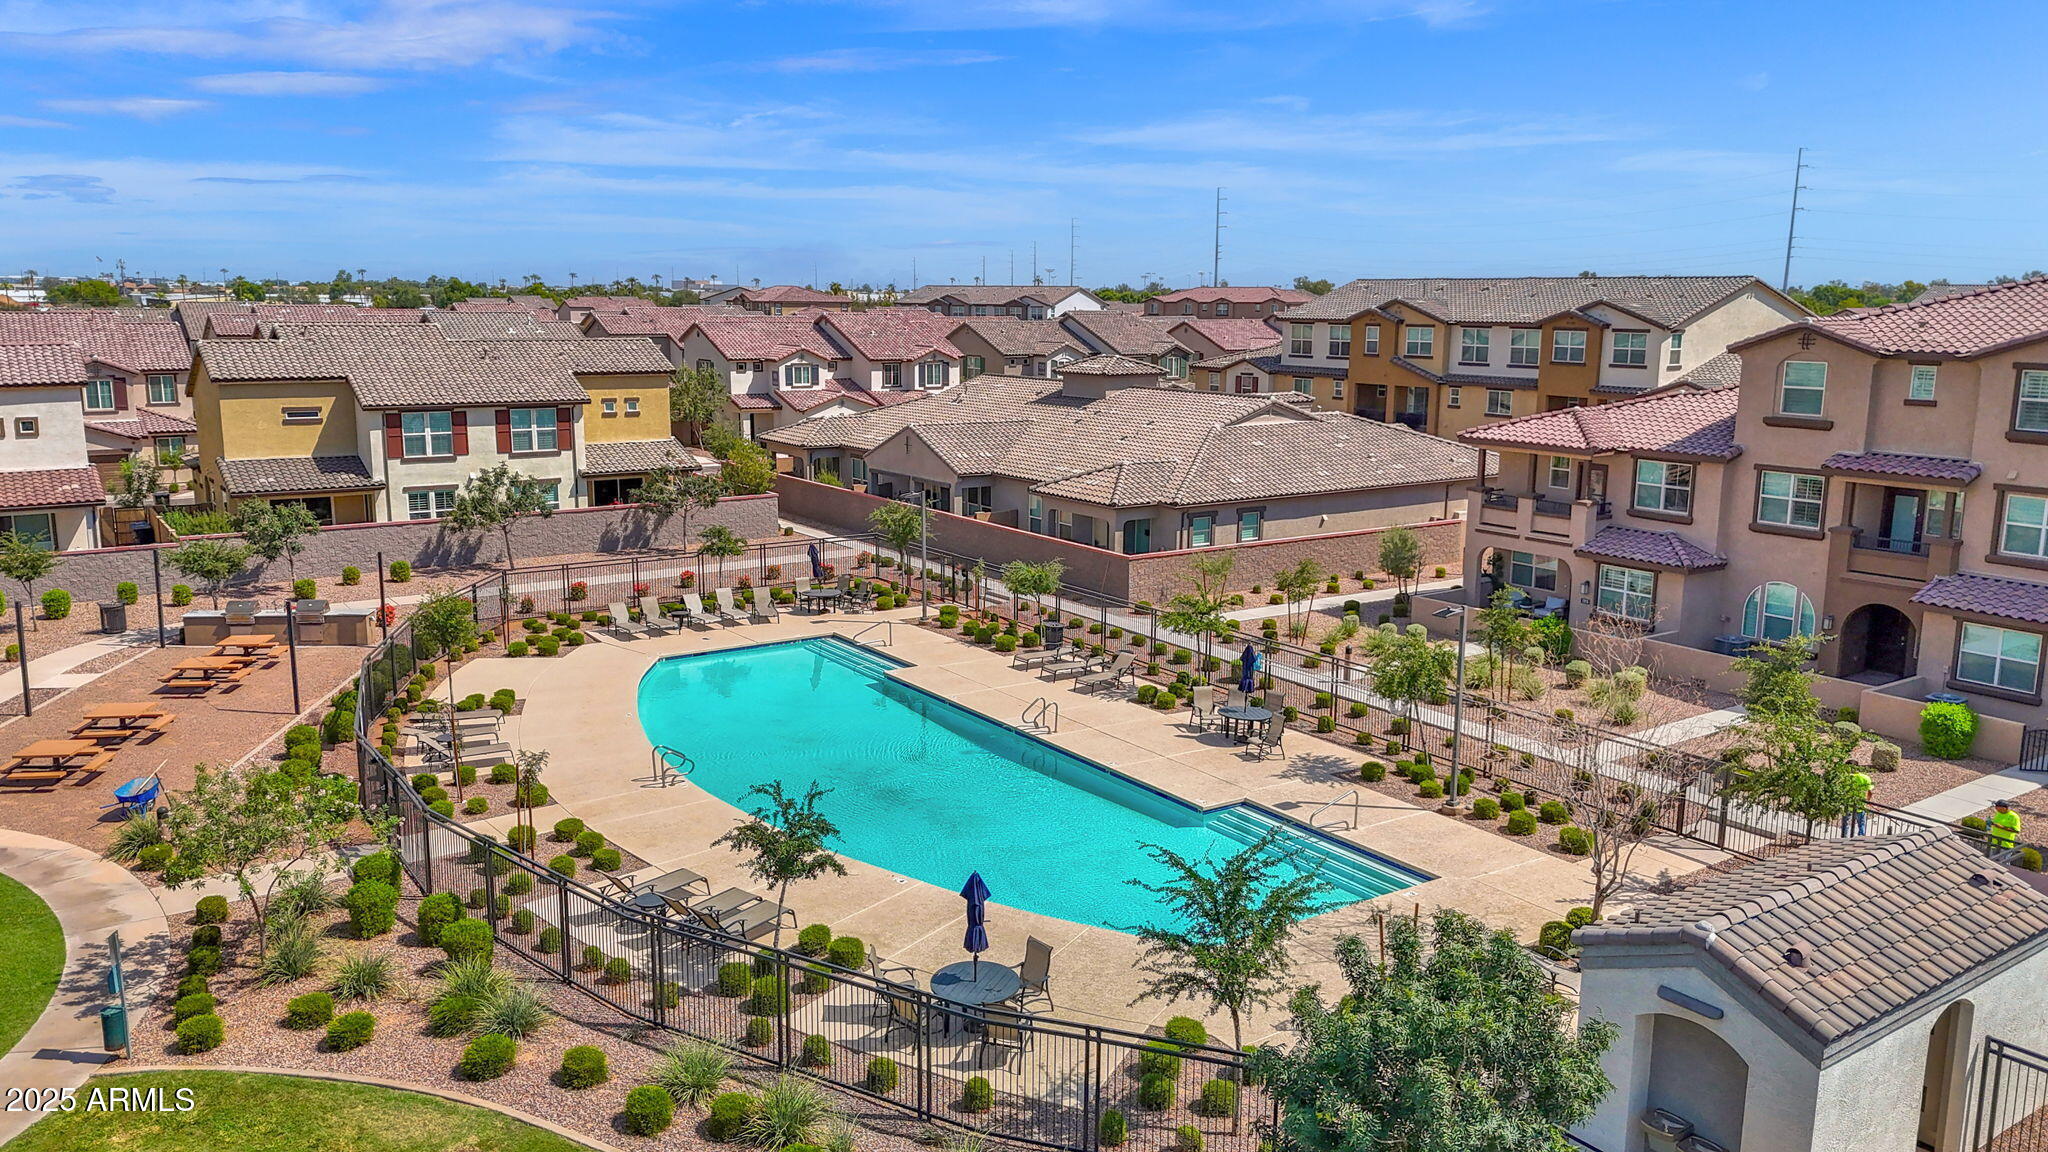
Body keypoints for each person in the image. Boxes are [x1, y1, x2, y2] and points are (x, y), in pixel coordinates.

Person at [1841, 767, 1873, 837]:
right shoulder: (1865, 778)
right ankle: (1860, 839)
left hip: (1848, 804)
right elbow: (1870, 792)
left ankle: (1844, 838)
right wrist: (1868, 800)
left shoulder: (1845, 778)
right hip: (1860, 804)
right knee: (1861, 823)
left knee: (1845, 823)